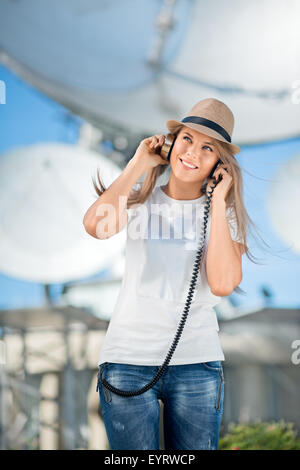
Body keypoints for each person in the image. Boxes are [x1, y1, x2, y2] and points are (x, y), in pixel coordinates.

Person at [83, 98, 254, 450]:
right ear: (172, 142)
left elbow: (222, 284)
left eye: (208, 148)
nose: (192, 153)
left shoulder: (225, 217)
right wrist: (139, 162)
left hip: (196, 364)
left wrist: (218, 203)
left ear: (219, 164)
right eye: (187, 139)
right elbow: (96, 227)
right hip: (127, 360)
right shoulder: (139, 202)